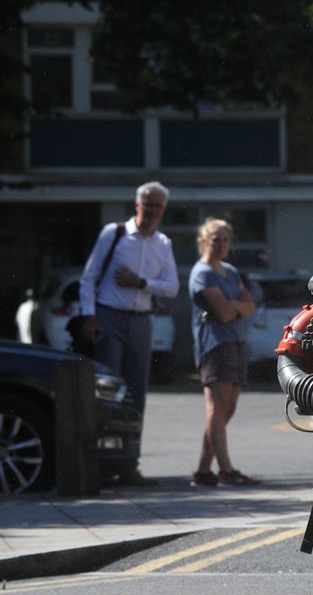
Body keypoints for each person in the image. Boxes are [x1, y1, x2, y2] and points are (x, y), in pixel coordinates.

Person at [78, 181, 180, 487]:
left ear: (163, 210)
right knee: (107, 391)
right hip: (109, 317)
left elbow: (172, 287)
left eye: (156, 206)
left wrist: (141, 282)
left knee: (137, 395)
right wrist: (90, 317)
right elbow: (88, 278)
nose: (151, 211)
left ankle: (128, 465)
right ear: (137, 205)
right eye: (146, 205)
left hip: (141, 321)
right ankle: (98, 464)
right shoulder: (115, 233)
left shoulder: (163, 243)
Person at [188, 218, 261, 488]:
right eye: (215, 239)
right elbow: (226, 313)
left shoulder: (229, 271)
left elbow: (250, 306)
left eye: (225, 239)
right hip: (214, 345)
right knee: (216, 408)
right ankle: (226, 470)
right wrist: (236, 305)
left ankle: (203, 471)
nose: (220, 244)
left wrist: (236, 305)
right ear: (204, 241)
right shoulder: (202, 272)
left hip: (236, 343)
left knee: (226, 410)